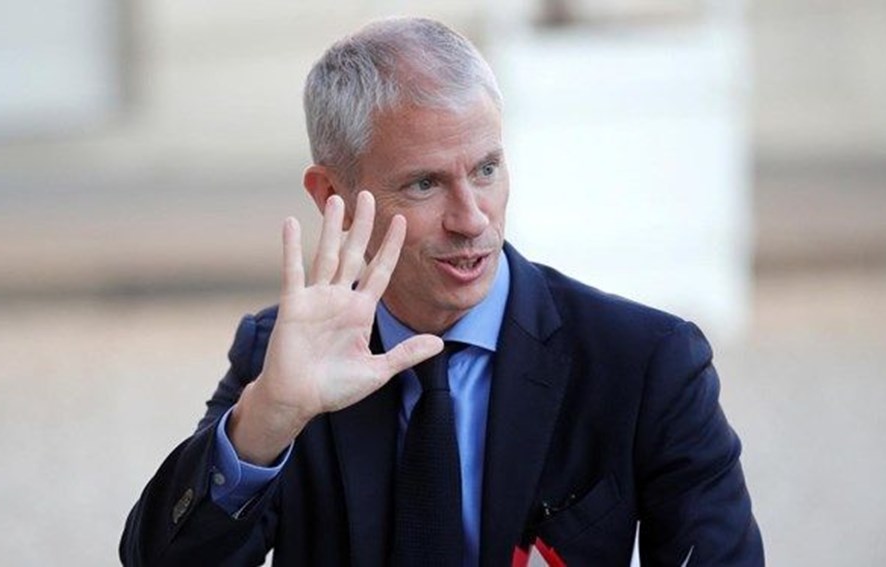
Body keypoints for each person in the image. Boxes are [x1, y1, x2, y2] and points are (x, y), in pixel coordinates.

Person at [120, 16, 763, 566]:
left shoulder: (645, 361)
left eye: (486, 169)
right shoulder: (283, 355)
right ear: (332, 195)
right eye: (424, 184)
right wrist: (267, 423)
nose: (471, 219)